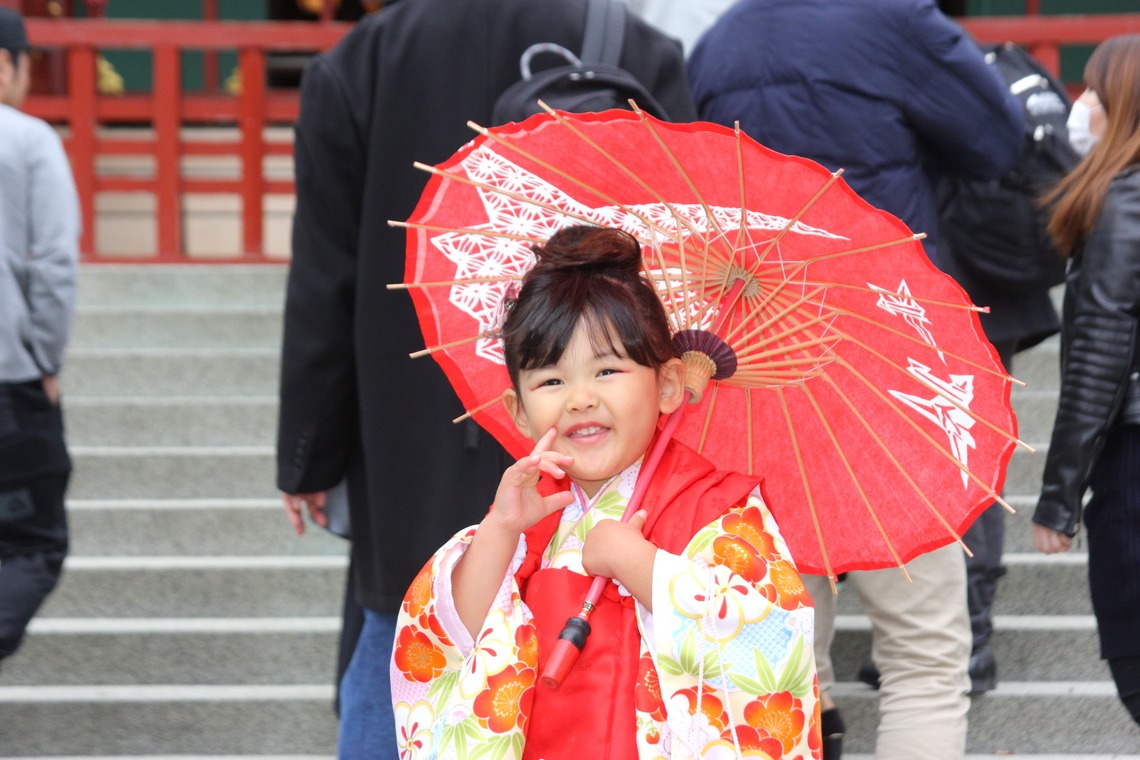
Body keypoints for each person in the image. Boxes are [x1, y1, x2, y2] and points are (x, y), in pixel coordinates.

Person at [274, 1, 696, 756]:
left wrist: (310, 454)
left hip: (415, 427)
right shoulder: (637, 46)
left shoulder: (368, 58)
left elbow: (325, 278)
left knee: (403, 619)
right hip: (602, 425)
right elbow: (681, 263)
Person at [687, 2, 1024, 758]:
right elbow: (999, 138)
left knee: (782, 643)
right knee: (925, 654)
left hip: (759, 360)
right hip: (885, 358)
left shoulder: (720, 42)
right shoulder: (893, 19)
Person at [390, 224, 820, 758]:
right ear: (518, 411)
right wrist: (500, 532)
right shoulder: (531, 512)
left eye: (608, 370)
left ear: (665, 385)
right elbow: (448, 642)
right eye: (551, 380)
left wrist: (641, 566)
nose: (580, 398)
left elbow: (775, 646)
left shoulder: (715, 508)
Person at [1032, 33, 1140, 729]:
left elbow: (1101, 354)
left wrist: (1058, 497)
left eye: (1095, 92)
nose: (1083, 105)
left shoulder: (1124, 201)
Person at [0, 7, 81, 668]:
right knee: (31, 544)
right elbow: (51, 265)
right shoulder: (24, 139)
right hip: (8, 380)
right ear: (5, 62)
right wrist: (45, 357)